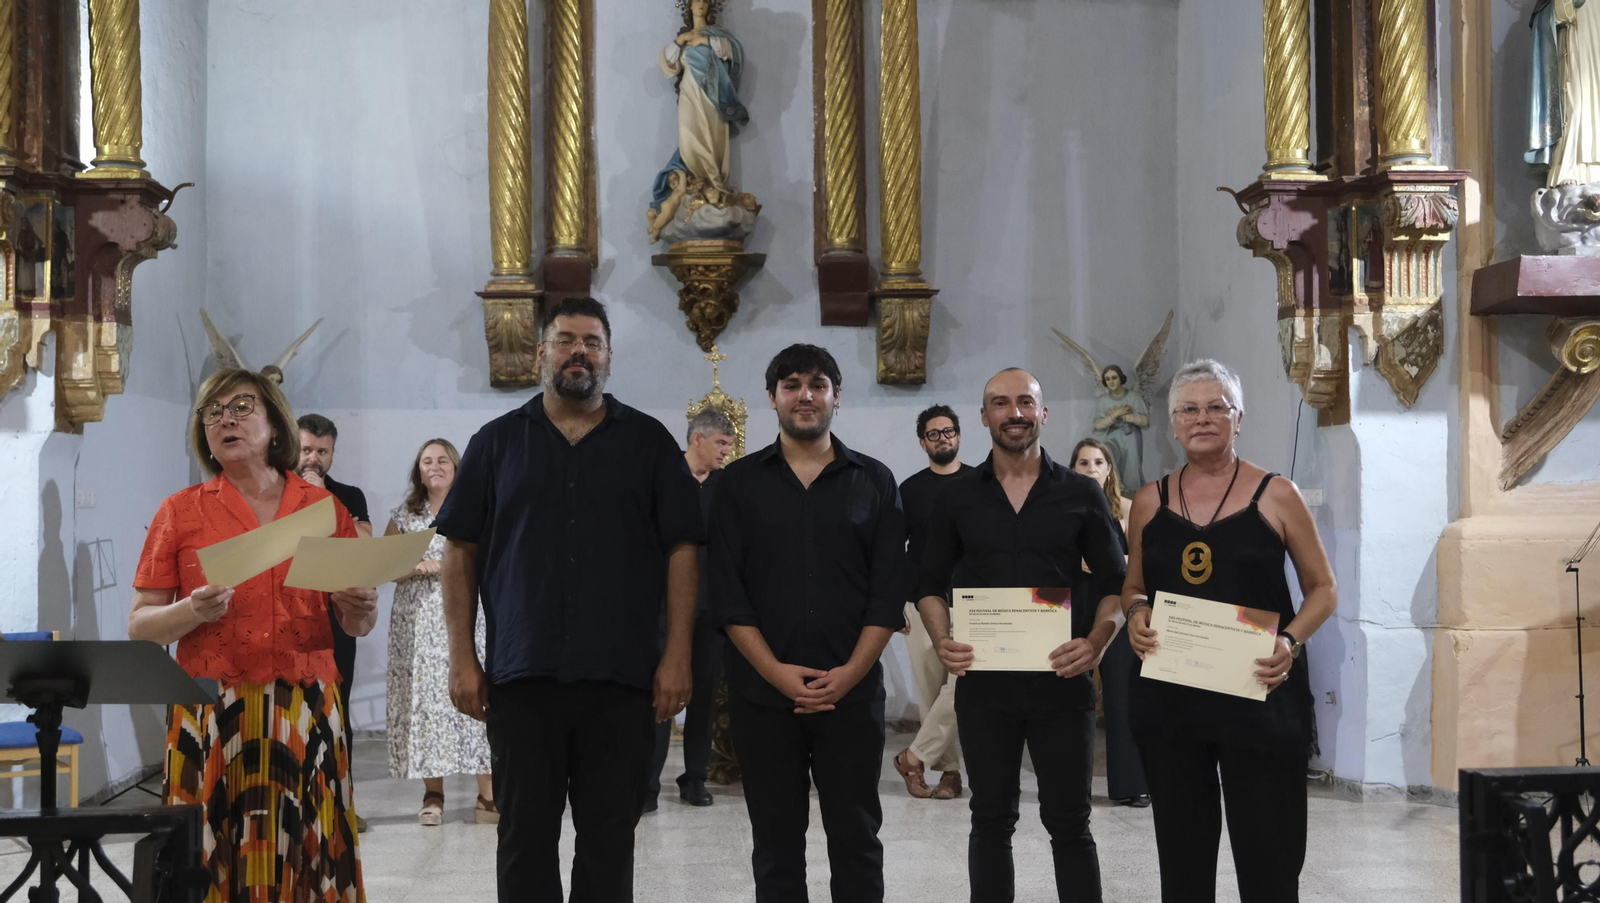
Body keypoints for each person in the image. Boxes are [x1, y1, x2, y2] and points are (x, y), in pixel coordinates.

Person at [435, 297, 702, 903]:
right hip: (523, 676)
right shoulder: (497, 442)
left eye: (591, 341)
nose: (578, 351)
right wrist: (462, 657)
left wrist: (677, 655)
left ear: (608, 356)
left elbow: (682, 549)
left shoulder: (649, 442)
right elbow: (460, 550)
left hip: (622, 675)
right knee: (525, 839)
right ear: (540, 352)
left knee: (610, 839)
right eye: (565, 340)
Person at [129, 369, 377, 902]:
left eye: (241, 407)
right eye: (212, 412)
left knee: (306, 841)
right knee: (210, 851)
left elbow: (356, 624)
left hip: (305, 705)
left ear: (274, 423)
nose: (225, 420)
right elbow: (140, 626)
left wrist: (359, 608)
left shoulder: (320, 507)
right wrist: (190, 611)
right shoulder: (180, 510)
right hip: (211, 708)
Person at [1124, 359, 1336, 903]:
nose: (1203, 418)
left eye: (1216, 406)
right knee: (1183, 851)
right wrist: (1135, 617)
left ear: (1238, 417)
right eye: (1189, 409)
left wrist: (1289, 642)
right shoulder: (1149, 502)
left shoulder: (1276, 494)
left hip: (1258, 692)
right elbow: (1134, 588)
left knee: (1269, 852)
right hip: (1173, 697)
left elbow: (1323, 589)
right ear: (1173, 423)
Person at [915, 368, 1126, 903]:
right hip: (986, 686)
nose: (1015, 413)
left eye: (1026, 402)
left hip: (1063, 681)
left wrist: (1097, 641)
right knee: (989, 820)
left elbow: (1115, 585)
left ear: (1043, 412)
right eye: (1001, 404)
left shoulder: (1081, 493)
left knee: (1070, 823)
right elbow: (928, 584)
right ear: (984, 416)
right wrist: (942, 640)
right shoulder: (957, 497)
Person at [709, 343, 905, 903]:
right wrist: (775, 673)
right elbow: (729, 596)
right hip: (763, 697)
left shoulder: (874, 480)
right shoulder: (737, 485)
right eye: (791, 384)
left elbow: (886, 596)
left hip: (852, 695)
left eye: (817, 384)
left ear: (836, 397)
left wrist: (847, 675)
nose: (805, 395)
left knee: (858, 839)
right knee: (775, 845)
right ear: (772, 398)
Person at [384, 438, 495, 826]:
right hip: (417, 624)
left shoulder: (474, 507)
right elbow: (386, 567)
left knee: (476, 695)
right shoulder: (403, 515)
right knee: (428, 706)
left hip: (465, 617)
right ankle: (433, 794)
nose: (435, 466)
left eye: (442, 459)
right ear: (419, 471)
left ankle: (488, 795)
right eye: (427, 461)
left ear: (456, 466)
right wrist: (420, 566)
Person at [645, 407, 735, 812]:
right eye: (721, 443)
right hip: (665, 607)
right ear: (697, 438)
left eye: (729, 446)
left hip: (711, 608)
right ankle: (647, 784)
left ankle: (694, 777)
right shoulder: (664, 480)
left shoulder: (728, 487)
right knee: (660, 696)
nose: (725, 452)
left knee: (703, 695)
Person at [891, 404, 973, 801]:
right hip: (921, 603)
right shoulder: (909, 489)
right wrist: (895, 604)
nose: (943, 438)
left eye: (948, 431)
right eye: (934, 433)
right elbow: (893, 551)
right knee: (930, 691)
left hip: (974, 601)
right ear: (922, 441)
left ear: (959, 435)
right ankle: (951, 774)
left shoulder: (982, 483)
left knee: (962, 687)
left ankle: (913, 755)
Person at [297, 412, 374, 832]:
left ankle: (341, 803)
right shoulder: (278, 491)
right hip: (291, 618)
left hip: (337, 616)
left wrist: (323, 498)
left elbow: (363, 544)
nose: (313, 458)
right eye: (306, 449)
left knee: (336, 710)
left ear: (333, 453)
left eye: (322, 451)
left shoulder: (348, 494)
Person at [1069, 437, 1148, 809]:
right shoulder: (1062, 508)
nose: (1090, 469)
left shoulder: (1129, 509)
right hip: (1073, 604)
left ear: (1109, 469)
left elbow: (1144, 559)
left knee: (1122, 692)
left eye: (1097, 462)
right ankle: (1073, 785)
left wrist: (1110, 560)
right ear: (1073, 469)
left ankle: (1131, 784)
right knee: (1070, 698)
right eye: (1083, 463)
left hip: (1116, 605)